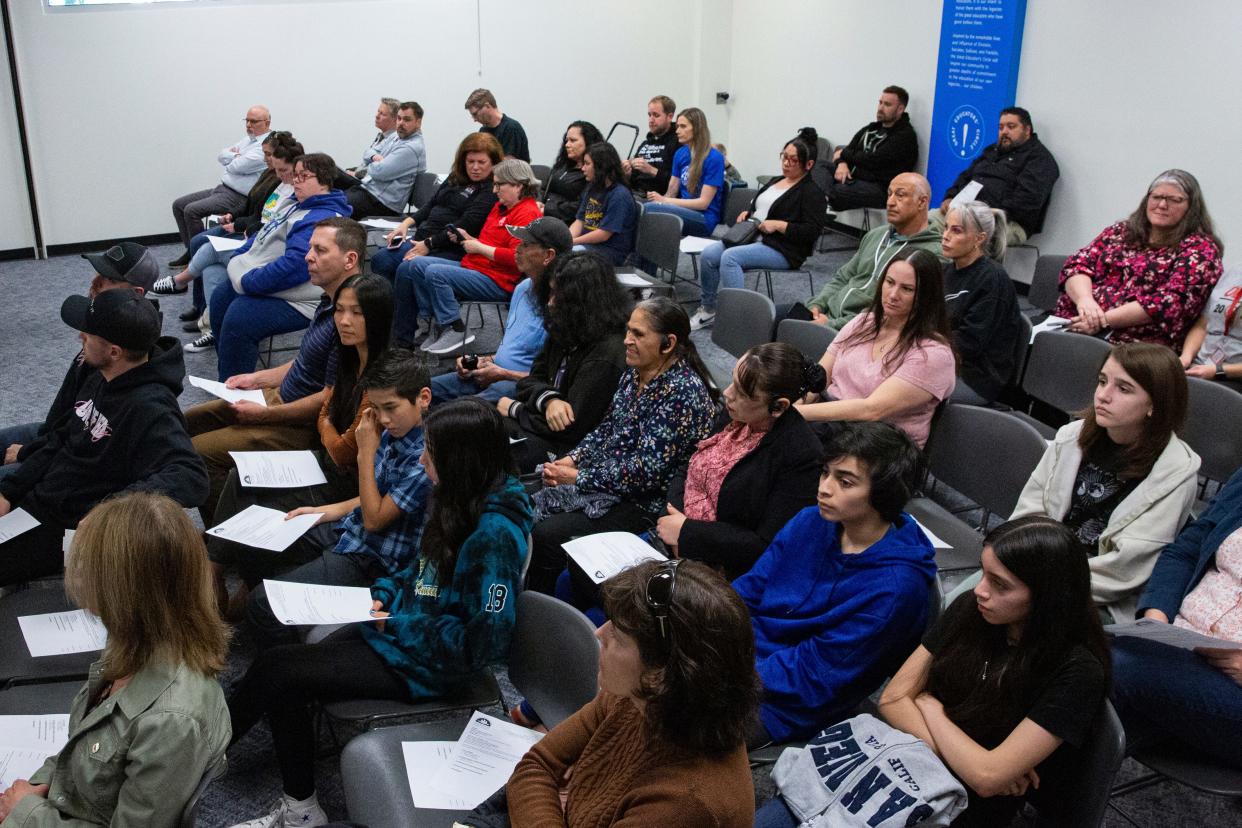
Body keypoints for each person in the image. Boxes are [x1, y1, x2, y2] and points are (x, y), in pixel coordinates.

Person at [225, 398, 533, 828]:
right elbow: (419, 567)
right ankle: (288, 799)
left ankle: (204, 759)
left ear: (461, 461)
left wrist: (398, 623)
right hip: (399, 634)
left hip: (431, 666)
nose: (423, 458)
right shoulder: (458, 496)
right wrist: (386, 592)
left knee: (281, 672)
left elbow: (482, 644)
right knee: (281, 669)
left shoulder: (494, 536)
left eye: (432, 453)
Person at [0, 493, 231, 828]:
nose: (74, 573)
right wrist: (36, 788)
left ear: (121, 590)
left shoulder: (173, 720)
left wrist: (26, 813)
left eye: (85, 565)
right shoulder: (134, 644)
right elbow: (79, 755)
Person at [875, 516, 1110, 828]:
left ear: (1046, 596)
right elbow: (891, 700)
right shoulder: (971, 610)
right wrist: (972, 763)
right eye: (984, 573)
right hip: (903, 769)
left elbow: (985, 779)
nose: (980, 591)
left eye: (1000, 584)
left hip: (960, 810)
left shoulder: (1077, 671)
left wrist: (929, 705)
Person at [500, 560, 759, 827]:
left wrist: (548, 797)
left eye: (619, 636)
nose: (600, 633)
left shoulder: (685, 803)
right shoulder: (634, 696)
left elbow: (536, 775)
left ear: (659, 675)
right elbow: (535, 765)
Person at [735, 421, 937, 746]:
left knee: (663, 723)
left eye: (844, 482)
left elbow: (815, 676)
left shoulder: (896, 589)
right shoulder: (810, 520)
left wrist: (722, 672)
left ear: (882, 494)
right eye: (825, 473)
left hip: (785, 704)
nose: (825, 488)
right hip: (739, 660)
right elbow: (748, 591)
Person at [206, 273, 392, 610]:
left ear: (377, 317)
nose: (344, 321)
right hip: (325, 463)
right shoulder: (349, 355)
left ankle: (252, 586)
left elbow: (342, 450)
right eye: (340, 310)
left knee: (261, 508)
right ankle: (214, 570)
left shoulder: (384, 375)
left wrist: (327, 423)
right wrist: (329, 423)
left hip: (349, 483)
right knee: (240, 476)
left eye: (357, 313)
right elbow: (327, 414)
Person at [0, 290, 207, 586]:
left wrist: (110, 513)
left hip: (74, 527)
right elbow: (60, 438)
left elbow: (191, 476)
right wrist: (9, 490)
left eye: (88, 334)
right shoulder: (100, 376)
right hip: (43, 498)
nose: (79, 337)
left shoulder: (151, 407)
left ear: (114, 351)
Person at [527, 298, 716, 594]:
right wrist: (574, 459)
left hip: (644, 502)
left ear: (668, 343)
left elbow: (646, 473)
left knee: (546, 534)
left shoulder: (682, 393)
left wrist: (579, 477)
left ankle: (544, 615)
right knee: (524, 498)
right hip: (608, 477)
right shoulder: (635, 372)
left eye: (638, 334)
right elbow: (607, 428)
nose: (627, 340)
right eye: (628, 331)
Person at [246, 349, 433, 644]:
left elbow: (375, 519)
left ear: (423, 398)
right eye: (377, 408)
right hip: (352, 531)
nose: (383, 419)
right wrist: (324, 511)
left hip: (374, 558)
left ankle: (293, 659)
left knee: (262, 604)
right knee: (261, 540)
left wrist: (366, 452)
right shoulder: (396, 429)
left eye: (391, 408)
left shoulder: (424, 458)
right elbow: (374, 497)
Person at [186, 217, 365, 525]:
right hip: (278, 398)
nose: (308, 257)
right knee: (184, 424)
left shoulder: (352, 316)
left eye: (320, 250)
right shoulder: (330, 298)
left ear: (350, 260)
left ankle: (228, 546)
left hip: (302, 424)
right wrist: (256, 378)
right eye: (310, 248)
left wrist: (266, 415)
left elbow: (330, 399)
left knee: (197, 455)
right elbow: (305, 361)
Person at [1011, 342, 1200, 621]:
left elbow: (1124, 569)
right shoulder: (1071, 437)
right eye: (1102, 381)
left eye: (1123, 389)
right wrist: (1019, 569)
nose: (1103, 395)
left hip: (1098, 596)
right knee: (966, 601)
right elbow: (1028, 514)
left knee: (1018, 623)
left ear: (1154, 405)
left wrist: (1043, 588)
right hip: (1038, 569)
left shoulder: (1175, 472)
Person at [656, 343, 826, 580]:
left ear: (778, 407)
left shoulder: (801, 456)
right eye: (733, 381)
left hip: (725, 569)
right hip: (673, 533)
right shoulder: (736, 414)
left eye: (742, 392)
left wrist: (688, 533)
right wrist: (676, 518)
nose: (727, 393)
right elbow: (689, 463)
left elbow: (765, 544)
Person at [1111, 464, 1242, 769]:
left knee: (1107, 666)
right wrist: (1156, 620)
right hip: (1176, 646)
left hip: (1234, 687)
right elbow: (1186, 550)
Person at [0, 241, 159, 483]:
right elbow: (69, 415)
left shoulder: (123, 348)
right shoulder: (101, 321)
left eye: (107, 279)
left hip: (71, 453)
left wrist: (28, 454)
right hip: (58, 431)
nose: (94, 283)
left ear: (135, 293)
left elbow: (84, 438)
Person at [199, 152, 350, 376]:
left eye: (303, 176)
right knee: (222, 297)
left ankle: (236, 395)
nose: (295, 181)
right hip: (270, 282)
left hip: (302, 298)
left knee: (239, 318)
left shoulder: (322, 217)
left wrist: (249, 281)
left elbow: (296, 267)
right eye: (295, 175)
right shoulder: (295, 204)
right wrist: (238, 258)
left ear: (324, 182)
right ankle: (229, 376)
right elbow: (259, 237)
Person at [798, 248, 956, 449]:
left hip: (880, 443)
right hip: (833, 421)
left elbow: (871, 410)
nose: (893, 295)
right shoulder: (864, 322)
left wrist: (795, 414)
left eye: (907, 289)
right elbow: (819, 379)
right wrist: (796, 405)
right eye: (889, 283)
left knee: (785, 442)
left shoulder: (933, 354)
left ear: (926, 296)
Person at [1056, 169, 1223, 350]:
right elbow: (1078, 264)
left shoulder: (1201, 249)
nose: (1162, 205)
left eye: (1174, 200)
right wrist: (1085, 301)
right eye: (1156, 197)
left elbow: (1169, 302)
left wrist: (1101, 320)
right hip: (1076, 319)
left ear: (1192, 207)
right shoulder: (1121, 231)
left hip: (1135, 343)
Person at [498, 251, 631, 471]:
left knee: (480, 444)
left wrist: (517, 409)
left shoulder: (608, 353)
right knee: (473, 421)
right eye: (550, 293)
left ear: (584, 301)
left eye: (559, 296)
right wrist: (549, 400)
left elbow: (570, 427)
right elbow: (531, 380)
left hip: (570, 451)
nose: (550, 303)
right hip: (542, 426)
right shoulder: (569, 327)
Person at [155, 132, 304, 323]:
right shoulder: (273, 174)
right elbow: (252, 199)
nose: (265, 158)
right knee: (204, 253)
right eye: (265, 154)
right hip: (246, 222)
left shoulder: (287, 184)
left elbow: (266, 220)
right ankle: (206, 315)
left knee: (205, 245)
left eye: (268, 154)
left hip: (254, 234)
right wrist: (233, 216)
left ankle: (183, 286)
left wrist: (239, 225)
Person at [692, 128, 828, 330]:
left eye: (793, 160)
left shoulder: (811, 192)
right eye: (784, 157)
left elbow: (812, 231)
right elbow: (758, 205)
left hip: (783, 248)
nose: (786, 163)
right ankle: (709, 309)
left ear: (809, 164)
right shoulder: (775, 181)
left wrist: (781, 225)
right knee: (710, 254)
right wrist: (747, 213)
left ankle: (737, 318)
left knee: (730, 258)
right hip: (752, 236)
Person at [405, 158, 543, 355]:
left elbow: (517, 259)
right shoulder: (501, 206)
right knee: (417, 264)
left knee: (436, 272)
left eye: (499, 185)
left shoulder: (527, 213)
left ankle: (456, 328)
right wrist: (470, 238)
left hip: (498, 280)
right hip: (477, 267)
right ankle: (436, 324)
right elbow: (489, 243)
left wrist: (478, 247)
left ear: (519, 185)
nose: (494, 190)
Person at [429, 217, 571, 402]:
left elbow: (557, 378)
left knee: (458, 413)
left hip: (523, 385)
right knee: (417, 392)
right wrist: (484, 360)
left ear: (548, 256)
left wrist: (504, 373)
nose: (517, 249)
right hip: (494, 373)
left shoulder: (563, 302)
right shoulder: (522, 288)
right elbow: (514, 348)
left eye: (526, 244)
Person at [802, 172, 943, 331]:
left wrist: (831, 325)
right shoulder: (876, 235)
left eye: (900, 195)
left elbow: (892, 313)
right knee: (778, 321)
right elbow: (844, 276)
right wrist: (817, 305)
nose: (890, 202)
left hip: (862, 331)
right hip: (828, 315)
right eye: (889, 194)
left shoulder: (932, 253)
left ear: (922, 202)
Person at [371, 132, 503, 283]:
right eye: (470, 161)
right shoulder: (456, 176)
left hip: (449, 246)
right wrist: (406, 224)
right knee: (380, 258)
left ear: (493, 163)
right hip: (423, 237)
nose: (475, 167)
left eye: (481, 162)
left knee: (402, 266)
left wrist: (429, 244)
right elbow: (432, 203)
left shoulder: (491, 189)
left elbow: (465, 225)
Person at [933, 107, 1059, 245]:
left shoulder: (1040, 159)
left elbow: (1027, 201)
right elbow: (966, 176)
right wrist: (950, 197)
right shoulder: (992, 151)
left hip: (1007, 223)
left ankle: (949, 265)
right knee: (928, 220)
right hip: (967, 213)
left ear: (1027, 130)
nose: (1004, 132)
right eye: (1001, 127)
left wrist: (987, 213)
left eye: (1011, 127)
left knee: (965, 235)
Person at [170, 104, 272, 266]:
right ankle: (191, 251)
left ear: (267, 123)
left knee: (192, 210)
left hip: (238, 196)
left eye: (254, 121)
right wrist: (236, 156)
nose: (248, 125)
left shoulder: (266, 146)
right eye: (247, 121)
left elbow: (235, 166)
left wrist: (233, 158)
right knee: (179, 205)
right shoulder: (248, 140)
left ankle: (198, 260)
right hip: (222, 189)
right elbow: (222, 155)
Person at [942, 200, 1021, 404]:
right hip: (944, 360)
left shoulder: (992, 280)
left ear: (979, 238)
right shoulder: (946, 271)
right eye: (946, 228)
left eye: (956, 231)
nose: (945, 236)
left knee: (903, 390)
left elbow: (969, 343)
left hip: (976, 378)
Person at [828, 85, 919, 211]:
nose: (881, 108)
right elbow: (847, 150)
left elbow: (872, 161)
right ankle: (824, 204)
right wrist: (841, 164)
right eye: (880, 103)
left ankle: (822, 205)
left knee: (836, 190)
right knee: (817, 168)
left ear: (900, 109)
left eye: (887, 105)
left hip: (881, 188)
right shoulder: (871, 128)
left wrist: (843, 154)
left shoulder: (904, 136)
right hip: (852, 178)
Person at [643, 107, 726, 237]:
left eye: (683, 127)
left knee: (650, 210)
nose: (677, 131)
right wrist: (659, 200)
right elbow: (671, 191)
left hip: (704, 218)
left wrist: (664, 201)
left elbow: (703, 203)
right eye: (677, 126)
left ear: (697, 129)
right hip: (683, 210)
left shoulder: (714, 158)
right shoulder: (680, 154)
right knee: (639, 207)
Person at [344, 101, 426, 219]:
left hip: (382, 203)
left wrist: (372, 164)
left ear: (418, 122)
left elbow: (379, 172)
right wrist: (375, 157)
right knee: (329, 191)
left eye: (407, 120)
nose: (401, 123)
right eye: (399, 118)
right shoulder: (396, 136)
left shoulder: (411, 148)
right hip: (368, 191)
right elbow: (367, 153)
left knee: (333, 205)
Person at [567, 142, 639, 265]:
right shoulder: (592, 188)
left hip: (609, 252)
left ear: (601, 166)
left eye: (587, 164)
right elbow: (579, 221)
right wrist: (566, 240)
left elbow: (604, 234)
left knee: (568, 258)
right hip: (587, 246)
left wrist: (574, 242)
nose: (582, 168)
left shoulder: (619, 195)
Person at [1179, 266, 1242, 391]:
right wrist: (1185, 357)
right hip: (1200, 364)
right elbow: (1203, 325)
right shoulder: (1233, 272)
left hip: (1232, 375)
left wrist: (1217, 371)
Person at [541, 120, 604, 223]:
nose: (567, 145)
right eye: (567, 140)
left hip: (565, 223)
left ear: (588, 142)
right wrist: (538, 202)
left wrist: (548, 209)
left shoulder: (593, 172)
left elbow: (581, 206)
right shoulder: (563, 164)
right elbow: (545, 188)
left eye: (573, 140)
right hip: (545, 214)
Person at [623, 94, 680, 198]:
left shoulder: (678, 142)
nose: (651, 120)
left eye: (656, 115)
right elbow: (634, 178)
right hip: (636, 194)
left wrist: (651, 170)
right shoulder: (645, 144)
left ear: (670, 117)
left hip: (658, 197)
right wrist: (627, 174)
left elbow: (678, 182)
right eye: (649, 115)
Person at [464, 88, 529, 161]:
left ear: (487, 106)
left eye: (475, 114)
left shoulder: (511, 128)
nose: (474, 119)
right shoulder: (483, 130)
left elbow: (508, 164)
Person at [343, 97, 400, 178]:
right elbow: (367, 156)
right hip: (360, 174)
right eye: (378, 112)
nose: (377, 116)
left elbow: (380, 169)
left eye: (382, 114)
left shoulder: (395, 141)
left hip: (366, 182)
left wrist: (356, 174)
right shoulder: (381, 136)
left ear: (395, 119)